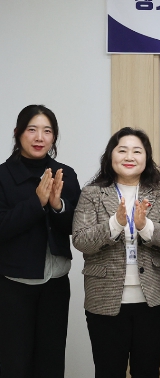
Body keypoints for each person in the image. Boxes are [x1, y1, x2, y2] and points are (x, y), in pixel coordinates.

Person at [72, 127, 160, 378]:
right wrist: (115, 224)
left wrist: (144, 226)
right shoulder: (92, 193)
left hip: (151, 298)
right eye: (122, 150)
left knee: (147, 370)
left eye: (137, 151)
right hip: (104, 298)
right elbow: (81, 239)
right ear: (110, 156)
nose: (129, 156)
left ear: (146, 158)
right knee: (108, 371)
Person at [0, 104, 81, 377]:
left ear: (54, 136)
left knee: (51, 362)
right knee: (15, 363)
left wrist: (58, 206)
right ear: (18, 132)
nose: (39, 138)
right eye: (32, 129)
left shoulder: (65, 174)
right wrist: (36, 203)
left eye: (47, 131)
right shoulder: (2, 176)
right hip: (13, 284)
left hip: (55, 283)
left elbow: (77, 228)